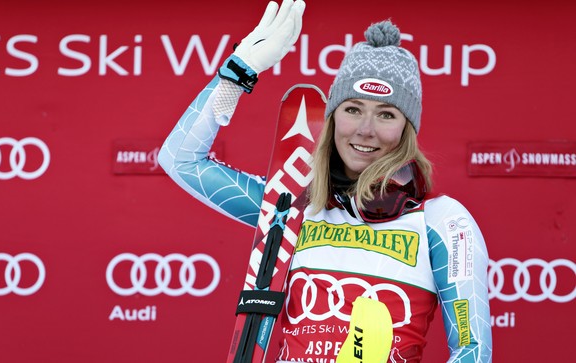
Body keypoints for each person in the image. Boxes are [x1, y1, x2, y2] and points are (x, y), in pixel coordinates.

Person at [158, 0, 493, 361]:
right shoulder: (287, 205)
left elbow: (472, 350)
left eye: (386, 114)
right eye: (352, 109)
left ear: (407, 129)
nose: (365, 130)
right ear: (331, 119)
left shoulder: (442, 221)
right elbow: (180, 160)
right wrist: (239, 72)